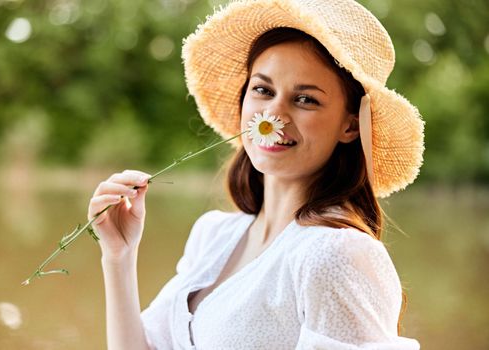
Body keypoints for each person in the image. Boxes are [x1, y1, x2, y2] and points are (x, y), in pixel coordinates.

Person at [88, 0, 424, 349]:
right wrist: (119, 257)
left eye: (306, 99)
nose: (274, 113)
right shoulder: (214, 235)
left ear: (350, 126)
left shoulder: (335, 254)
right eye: (263, 90)